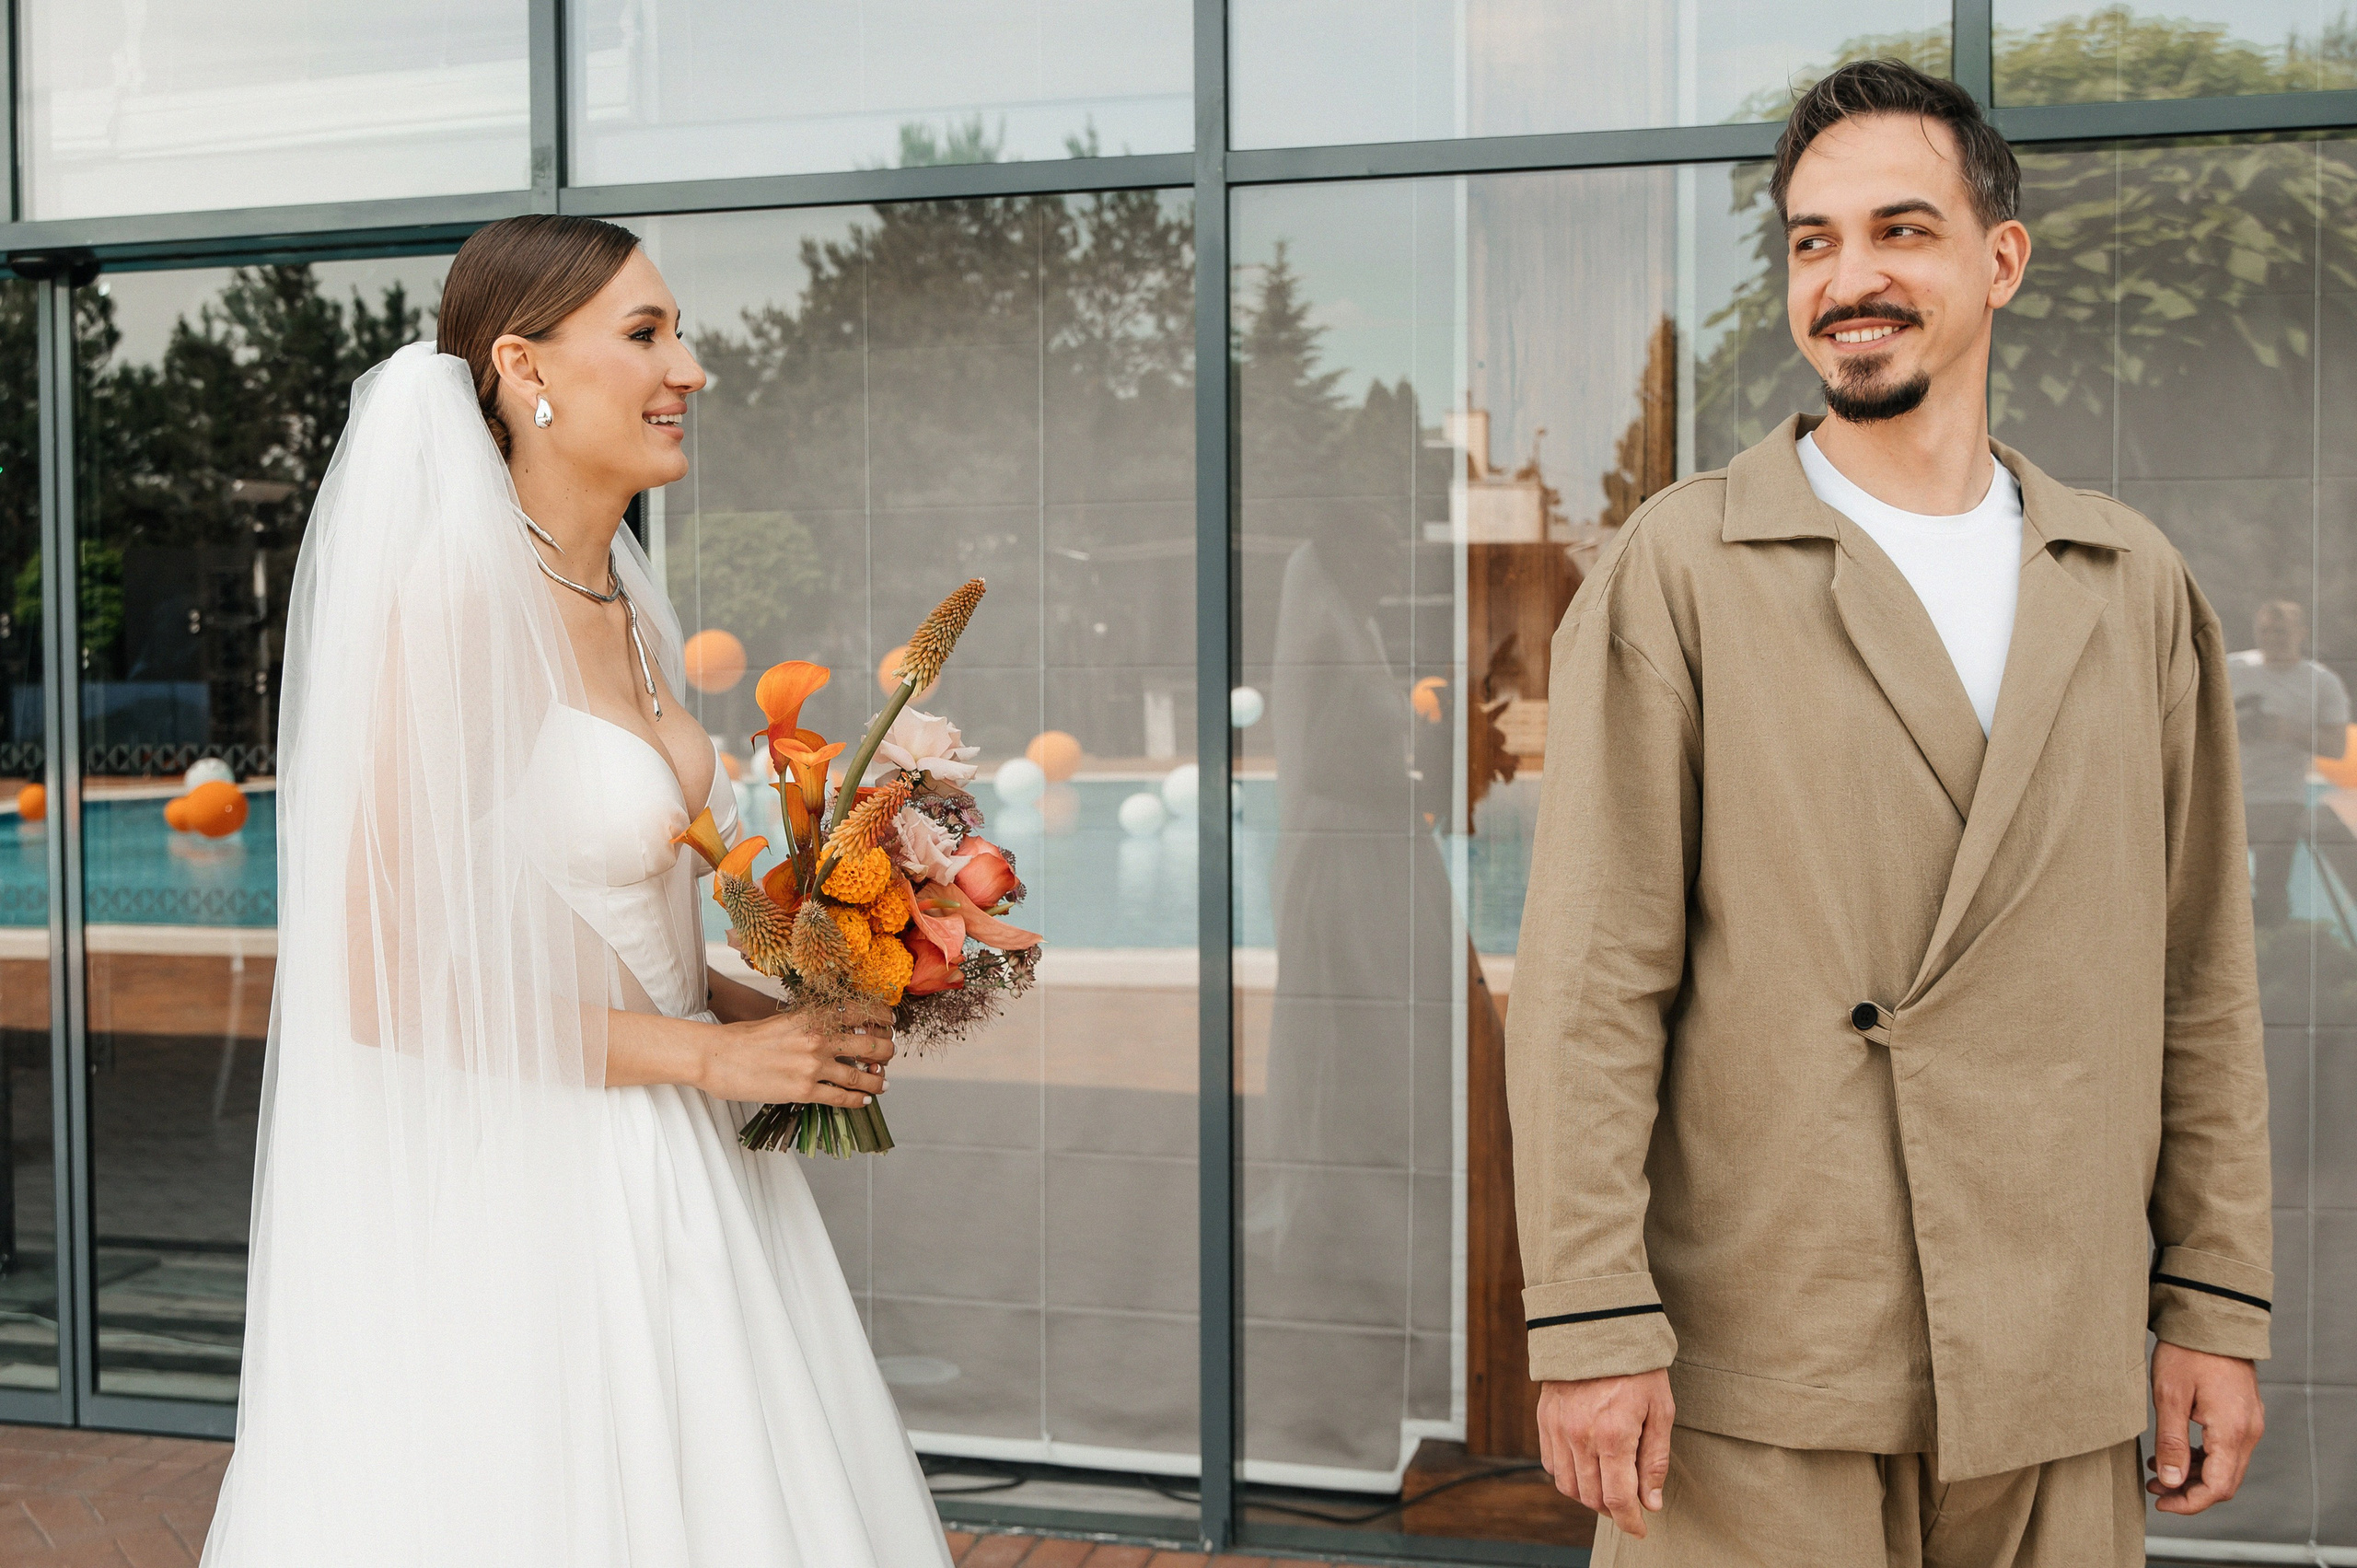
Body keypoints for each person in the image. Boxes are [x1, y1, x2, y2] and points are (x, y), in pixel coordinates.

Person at [1505, 60, 2271, 1567]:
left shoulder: (2131, 583)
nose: (1848, 277)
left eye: (1900, 231)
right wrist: (1590, 1313)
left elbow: (2201, 982)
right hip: (1767, 1363)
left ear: (2001, 259)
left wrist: (2213, 1301)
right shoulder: (1683, 572)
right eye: (1810, 241)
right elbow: (1596, 976)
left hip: (2053, 1354)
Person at [202, 215, 953, 1566]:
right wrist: (714, 1057)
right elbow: (379, 975)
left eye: (682, 332)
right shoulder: (456, 609)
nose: (693, 369)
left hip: (685, 1167)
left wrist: (801, 1008)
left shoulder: (621, 598)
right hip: (538, 1198)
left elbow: (607, 920)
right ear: (523, 365)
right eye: (648, 333)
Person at [2232, 598, 2354, 927]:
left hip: (2279, 798)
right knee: (2217, 888)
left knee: (2271, 889)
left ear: (2301, 633)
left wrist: (2287, 731)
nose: (2272, 638)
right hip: (2225, 796)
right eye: (2265, 631)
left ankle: (2273, 950)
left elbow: (2337, 747)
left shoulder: (2321, 682)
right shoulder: (2232, 669)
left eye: (2281, 631)